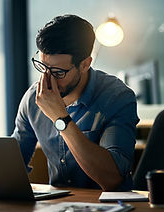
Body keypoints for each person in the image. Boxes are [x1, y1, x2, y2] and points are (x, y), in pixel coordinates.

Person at [12, 14, 139, 191]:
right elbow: (12, 165)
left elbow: (113, 179)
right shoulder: (33, 98)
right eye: (43, 67)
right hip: (57, 205)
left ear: (85, 64)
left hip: (108, 205)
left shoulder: (117, 97)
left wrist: (60, 118)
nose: (48, 80)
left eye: (57, 72)